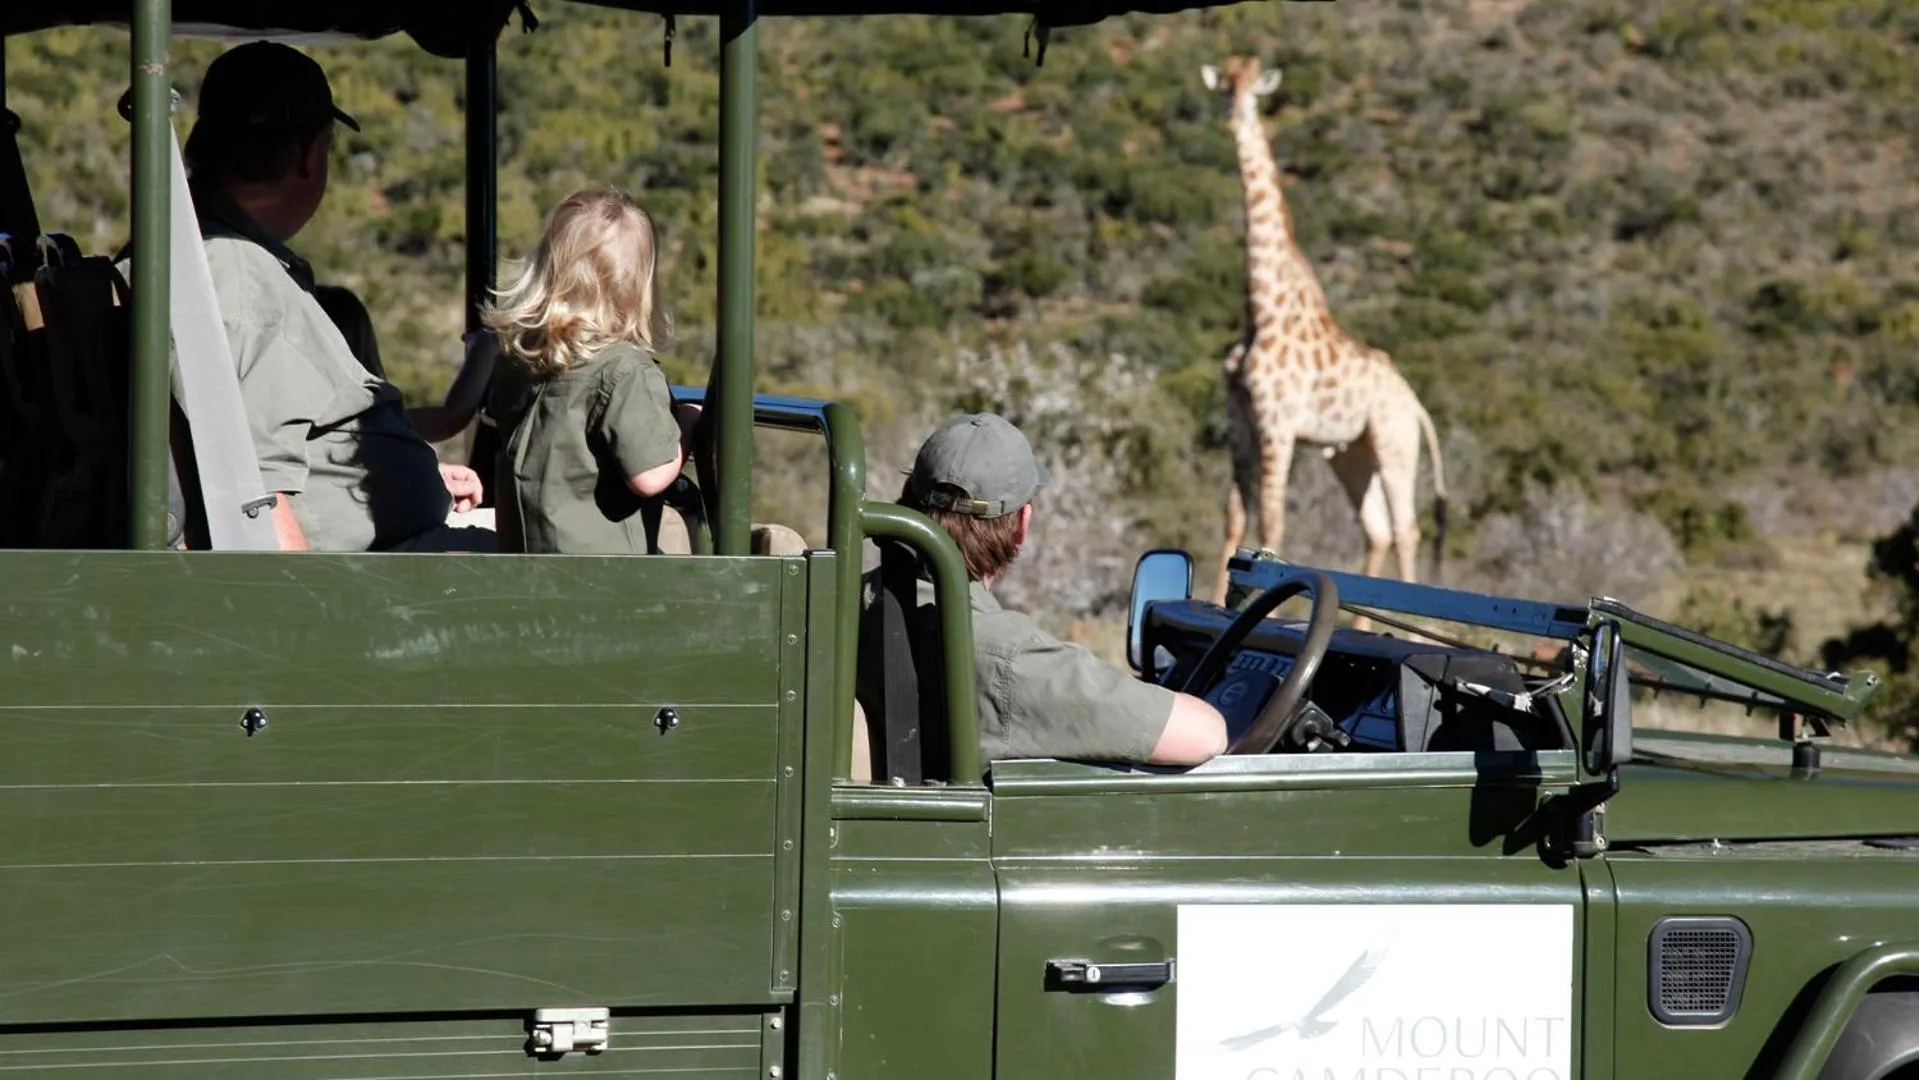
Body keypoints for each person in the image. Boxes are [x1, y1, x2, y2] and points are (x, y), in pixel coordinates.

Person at [176, 41, 491, 552]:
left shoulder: (207, 255)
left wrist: (419, 471)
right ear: (309, 156)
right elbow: (259, 504)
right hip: (344, 590)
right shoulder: (238, 279)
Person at [864, 413, 1228, 769]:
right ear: (1022, 524)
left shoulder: (841, 589)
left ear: (907, 497)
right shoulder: (1005, 654)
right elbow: (1206, 734)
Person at [480, 187, 701, 554]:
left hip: (522, 561)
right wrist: (687, 429)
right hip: (599, 580)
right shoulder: (624, 370)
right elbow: (649, 475)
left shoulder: (516, 357)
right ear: (637, 286)